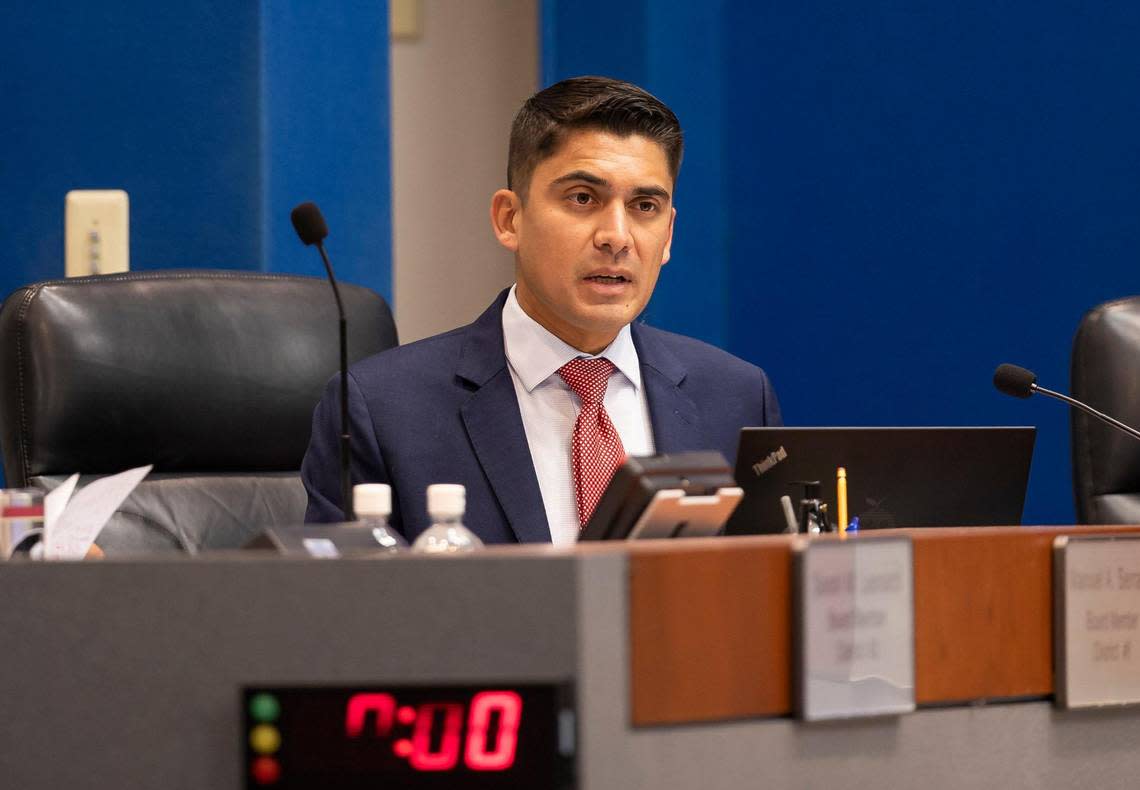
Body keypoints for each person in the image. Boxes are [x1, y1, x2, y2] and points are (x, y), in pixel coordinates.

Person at [302, 76, 781, 544]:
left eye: (645, 206)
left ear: (669, 235)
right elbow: (340, 612)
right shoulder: (382, 410)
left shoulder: (736, 397)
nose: (616, 236)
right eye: (582, 198)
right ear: (510, 219)